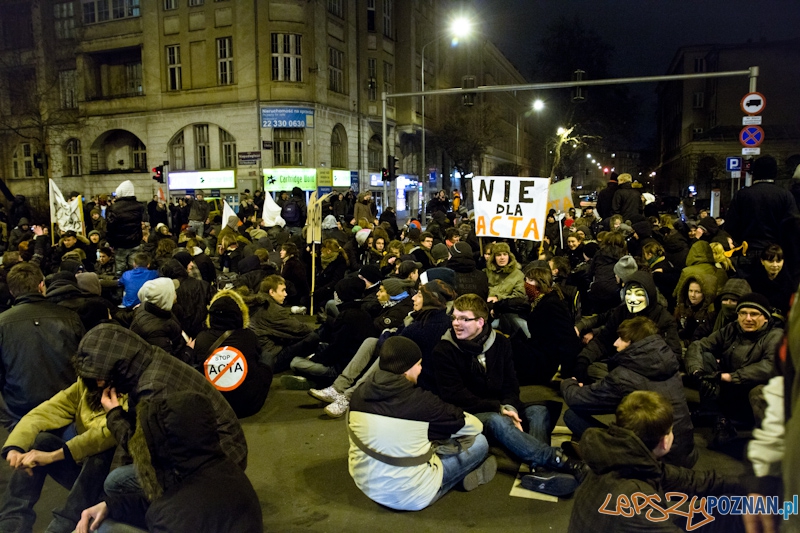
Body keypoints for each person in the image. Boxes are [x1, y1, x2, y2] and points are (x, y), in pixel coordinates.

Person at [72, 324, 247, 514]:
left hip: (219, 462)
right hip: (219, 448)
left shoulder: (152, 388)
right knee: (111, 466)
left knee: (115, 482)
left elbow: (144, 451)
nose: (99, 384)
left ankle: (158, 516)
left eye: (99, 378)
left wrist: (114, 415)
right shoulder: (148, 363)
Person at [433, 294, 586, 496]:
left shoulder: (500, 343)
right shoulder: (444, 350)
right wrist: (499, 408)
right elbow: (455, 395)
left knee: (539, 411)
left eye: (464, 319)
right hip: (470, 413)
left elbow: (511, 383)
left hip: (500, 405)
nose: (456, 323)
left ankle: (540, 470)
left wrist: (510, 406)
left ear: (480, 321)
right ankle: (557, 459)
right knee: (498, 421)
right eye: (454, 318)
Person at [76, 392, 262, 533]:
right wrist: (111, 506)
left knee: (102, 528)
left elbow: (171, 510)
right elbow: (168, 501)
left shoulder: (172, 517)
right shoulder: (222, 470)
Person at [568, 390, 750, 533]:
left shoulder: (621, 458)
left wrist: (750, 485)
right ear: (665, 441)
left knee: (730, 507)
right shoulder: (636, 500)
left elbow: (689, 480)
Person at [347, 336, 496, 511]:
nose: (420, 369)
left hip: (365, 483)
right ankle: (457, 481)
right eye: (418, 364)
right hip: (410, 495)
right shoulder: (423, 403)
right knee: (480, 443)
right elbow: (475, 426)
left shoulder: (359, 393)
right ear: (406, 369)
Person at [562, 317, 697, 468]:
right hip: (684, 453)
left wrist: (569, 383)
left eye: (621, 339)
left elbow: (579, 400)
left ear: (634, 344)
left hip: (653, 459)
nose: (615, 343)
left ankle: (596, 463)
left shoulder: (624, 376)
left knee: (572, 416)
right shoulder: (669, 364)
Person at [0, 380, 121, 533]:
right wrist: (14, 448)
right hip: (87, 471)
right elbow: (44, 413)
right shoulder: (84, 385)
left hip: (118, 478)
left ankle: (62, 526)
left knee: (100, 452)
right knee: (41, 441)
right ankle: (12, 525)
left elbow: (104, 436)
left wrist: (53, 456)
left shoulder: (132, 386)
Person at [685, 293, 781, 448]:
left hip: (749, 395)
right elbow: (699, 345)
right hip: (727, 390)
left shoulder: (775, 335)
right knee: (706, 357)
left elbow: (769, 366)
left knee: (759, 392)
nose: (747, 318)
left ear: (765, 317)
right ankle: (717, 417)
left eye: (754, 314)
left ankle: (768, 441)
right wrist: (697, 373)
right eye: (743, 313)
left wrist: (729, 377)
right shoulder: (732, 329)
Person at [0, 263, 84, 427]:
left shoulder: (2, 323)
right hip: (66, 406)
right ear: (41, 285)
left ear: (12, 291)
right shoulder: (69, 317)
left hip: (20, 410)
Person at [574, 271, 681, 385]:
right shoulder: (621, 311)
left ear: (649, 294)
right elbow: (603, 340)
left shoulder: (664, 319)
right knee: (591, 369)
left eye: (639, 294)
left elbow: (673, 357)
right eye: (629, 293)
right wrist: (584, 359)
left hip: (647, 374)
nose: (632, 299)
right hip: (620, 366)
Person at [194, 290, 272, 419]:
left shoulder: (202, 338)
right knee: (267, 357)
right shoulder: (248, 336)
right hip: (248, 406)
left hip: (215, 406)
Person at [725, 155, 798, 279]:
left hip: (747, 253)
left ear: (754, 173)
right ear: (774, 173)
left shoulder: (742, 195)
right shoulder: (785, 196)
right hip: (774, 256)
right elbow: (792, 228)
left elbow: (731, 226)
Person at [106, 180, 144, 275]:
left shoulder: (114, 208)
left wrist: (111, 243)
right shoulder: (139, 206)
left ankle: (120, 289)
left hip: (120, 244)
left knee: (120, 271)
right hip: (135, 242)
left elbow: (110, 227)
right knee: (135, 270)